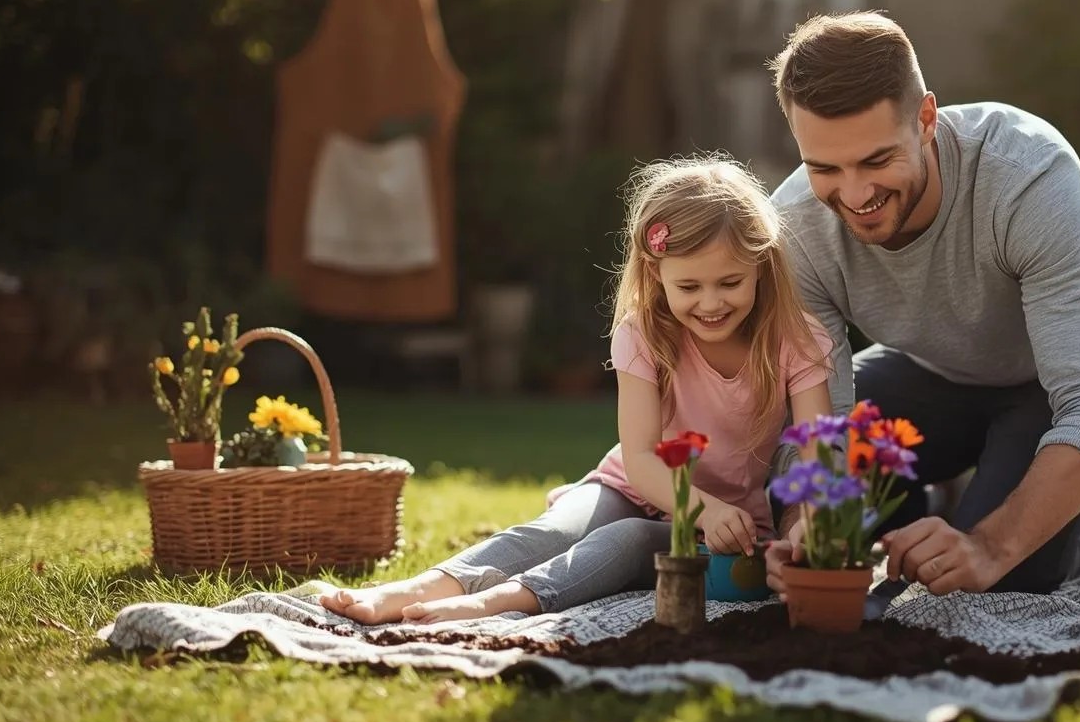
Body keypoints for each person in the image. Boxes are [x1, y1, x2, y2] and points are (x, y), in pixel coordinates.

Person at [761, 11, 1080, 600]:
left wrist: (989, 546)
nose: (854, 195)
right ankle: (947, 501)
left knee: (1007, 571)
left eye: (877, 161)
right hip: (943, 367)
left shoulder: (1027, 175)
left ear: (927, 120)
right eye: (825, 168)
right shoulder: (797, 229)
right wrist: (799, 526)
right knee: (804, 489)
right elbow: (820, 427)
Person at [320, 157, 833, 625]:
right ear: (657, 274)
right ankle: (416, 587)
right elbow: (640, 458)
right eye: (689, 287)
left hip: (724, 522)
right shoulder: (644, 332)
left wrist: (806, 525)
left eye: (729, 283)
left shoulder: (797, 340)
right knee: (553, 531)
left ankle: (496, 602)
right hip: (633, 485)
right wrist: (706, 508)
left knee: (626, 540)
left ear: (761, 267)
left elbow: (817, 459)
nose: (711, 303)